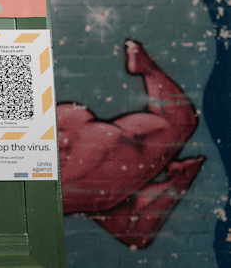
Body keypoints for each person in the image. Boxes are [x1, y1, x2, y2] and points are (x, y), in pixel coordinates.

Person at [58, 38, 205, 249]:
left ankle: (178, 180)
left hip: (74, 170)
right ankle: (147, 70)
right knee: (179, 122)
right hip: (81, 162)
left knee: (134, 231)